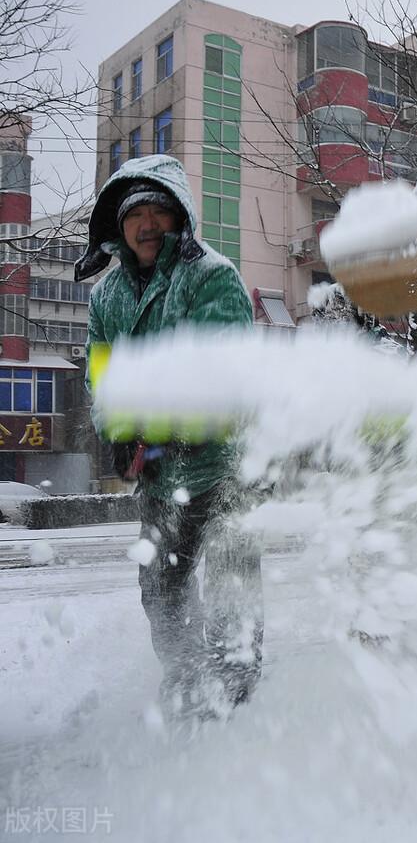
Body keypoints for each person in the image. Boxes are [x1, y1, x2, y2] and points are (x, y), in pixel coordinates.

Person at [77, 155, 261, 718]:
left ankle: (237, 702)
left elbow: (224, 378)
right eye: (136, 214)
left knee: (233, 594)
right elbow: (102, 375)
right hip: (159, 479)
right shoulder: (106, 297)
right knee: (162, 594)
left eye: (160, 209)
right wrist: (118, 431)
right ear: (118, 226)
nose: (148, 224)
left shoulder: (211, 277)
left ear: (179, 216)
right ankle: (187, 685)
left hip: (223, 468)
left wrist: (165, 433)